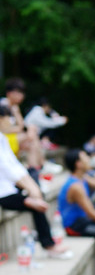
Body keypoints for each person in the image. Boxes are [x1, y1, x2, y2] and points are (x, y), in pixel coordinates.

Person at [0, 110, 71, 258]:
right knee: (37, 203)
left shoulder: (2, 138)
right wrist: (30, 187)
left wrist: (32, 186)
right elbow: (7, 169)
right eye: (9, 120)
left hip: (10, 185)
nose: (12, 124)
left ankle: (32, 200)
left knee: (36, 189)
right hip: (4, 190)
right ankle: (49, 245)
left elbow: (14, 166)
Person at [0, 77, 44, 176]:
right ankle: (38, 167)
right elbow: (5, 129)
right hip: (3, 140)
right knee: (32, 135)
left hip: (11, 139)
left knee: (32, 142)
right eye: (19, 93)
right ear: (10, 93)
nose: (22, 96)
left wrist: (17, 112)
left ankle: (34, 170)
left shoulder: (14, 107)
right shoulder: (2, 106)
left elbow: (21, 126)